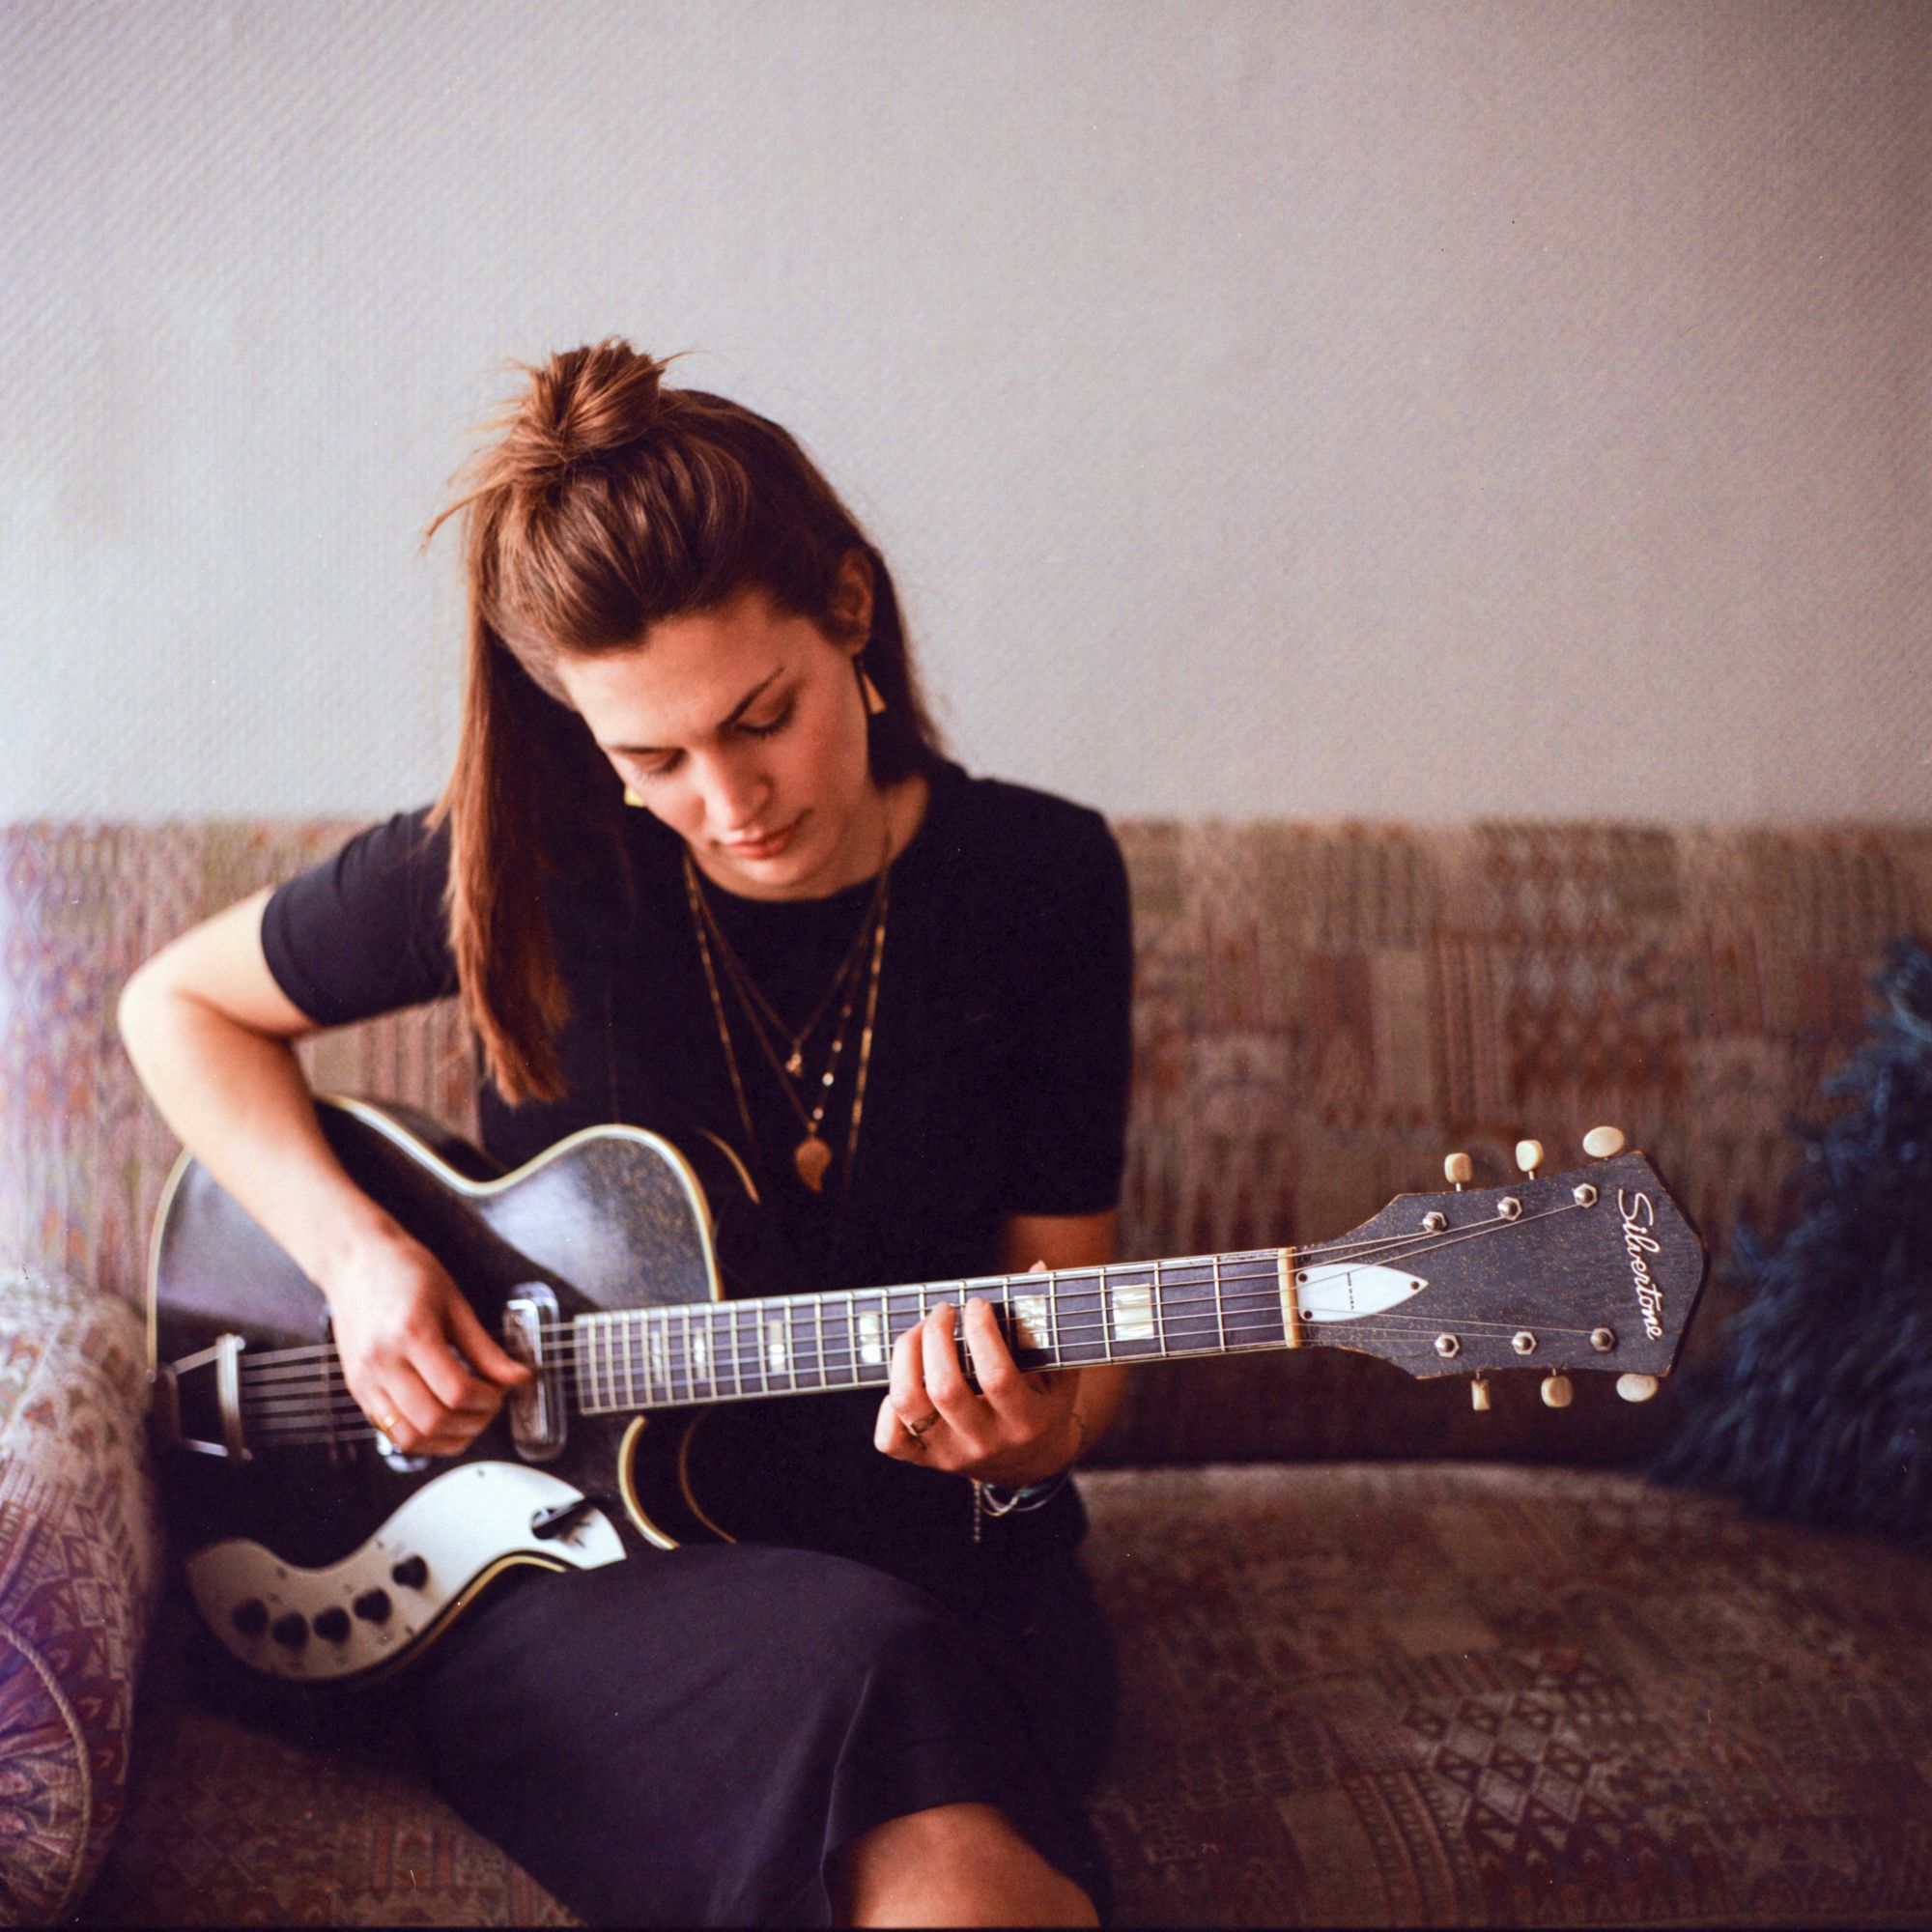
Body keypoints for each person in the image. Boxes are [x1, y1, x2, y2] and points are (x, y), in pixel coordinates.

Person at [119, 340, 1134, 1928]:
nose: (729, 801)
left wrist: (1039, 1434)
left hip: (940, 1554)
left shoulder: (1044, 879)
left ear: (849, 611)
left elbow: (1078, 1312)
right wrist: (359, 1258)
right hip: (582, 1576)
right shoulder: (520, 862)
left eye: (762, 718)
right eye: (650, 757)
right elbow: (176, 1007)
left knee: (933, 1749)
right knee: (909, 1762)